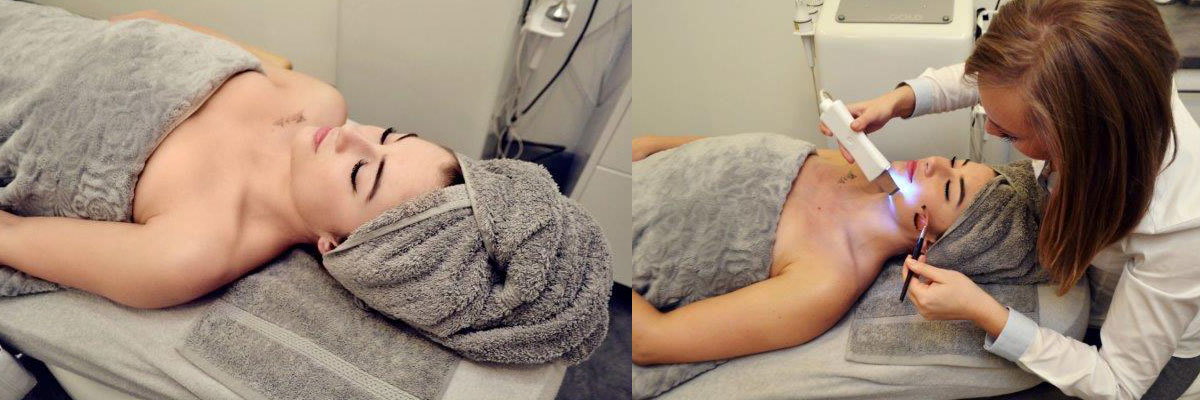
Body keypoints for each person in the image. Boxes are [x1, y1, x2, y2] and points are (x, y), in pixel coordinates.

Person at [822, 0, 1200, 397]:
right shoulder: (1102, 70)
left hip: (1143, 357)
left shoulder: (1179, 227)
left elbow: (1117, 383)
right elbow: (999, 80)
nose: (990, 131)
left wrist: (984, 311)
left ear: (1076, 138)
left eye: (1010, 134)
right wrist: (901, 100)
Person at [0, 10, 462, 309]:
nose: (352, 137)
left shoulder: (190, 252)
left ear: (336, 244)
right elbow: (149, 21)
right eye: (387, 136)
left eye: (361, 173)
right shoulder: (322, 101)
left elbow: (10, 234)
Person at [631, 132, 1001, 365]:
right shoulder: (856, 163)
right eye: (956, 162)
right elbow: (736, 157)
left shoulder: (825, 282)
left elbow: (650, 341)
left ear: (929, 241)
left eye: (949, 188)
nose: (935, 164)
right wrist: (653, 145)